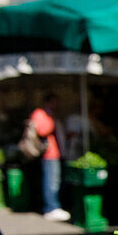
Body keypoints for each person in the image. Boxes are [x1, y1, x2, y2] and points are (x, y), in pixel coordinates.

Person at [28, 93, 69, 221]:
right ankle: (51, 207)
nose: (57, 105)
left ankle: (54, 205)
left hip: (55, 153)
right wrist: (50, 119)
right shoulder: (40, 113)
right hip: (48, 154)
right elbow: (42, 130)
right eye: (55, 102)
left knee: (55, 180)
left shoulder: (48, 114)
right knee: (51, 181)